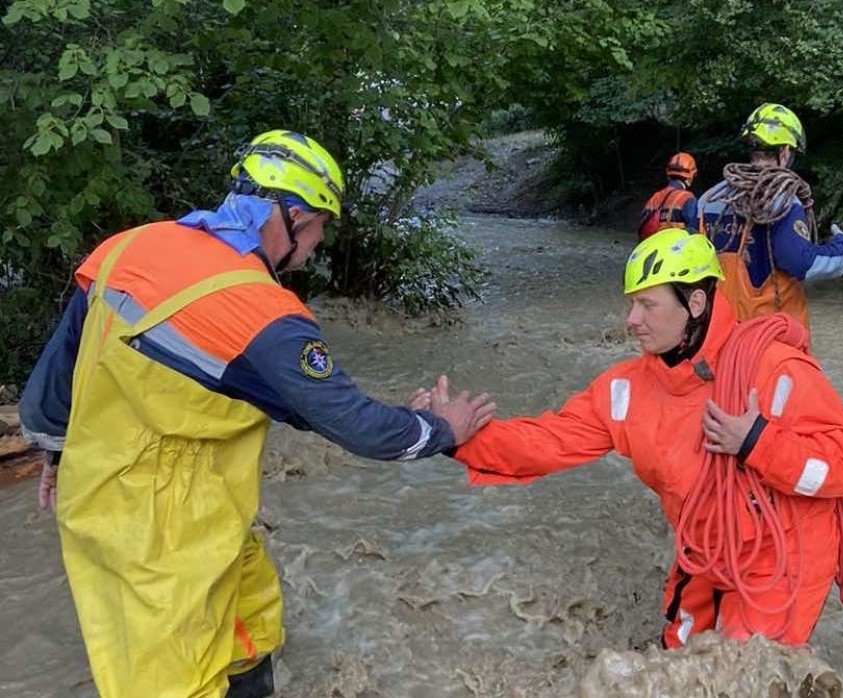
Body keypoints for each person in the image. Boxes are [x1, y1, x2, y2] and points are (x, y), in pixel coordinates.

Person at [18, 129, 495, 698]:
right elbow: (355, 427)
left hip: (121, 481)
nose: (318, 244)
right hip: (161, 520)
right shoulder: (260, 312)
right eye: (320, 225)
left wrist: (56, 449)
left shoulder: (127, 248)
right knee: (172, 677)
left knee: (249, 618)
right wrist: (443, 429)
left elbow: (58, 372)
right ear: (290, 216)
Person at [422, 229, 843, 650]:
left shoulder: (773, 370)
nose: (631, 319)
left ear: (695, 303)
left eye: (647, 305)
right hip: (708, 546)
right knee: (678, 656)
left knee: (738, 670)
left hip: (784, 555)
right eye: (631, 304)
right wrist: (455, 437)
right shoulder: (629, 389)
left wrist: (757, 440)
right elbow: (548, 441)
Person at [696, 103, 843, 328]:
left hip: (714, 330)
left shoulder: (709, 199)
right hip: (764, 337)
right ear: (785, 152)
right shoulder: (783, 202)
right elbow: (801, 262)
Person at [636, 152, 699, 241]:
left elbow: (641, 227)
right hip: (673, 251)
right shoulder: (687, 198)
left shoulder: (655, 197)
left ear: (668, 173)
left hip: (649, 247)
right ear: (691, 176)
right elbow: (693, 234)